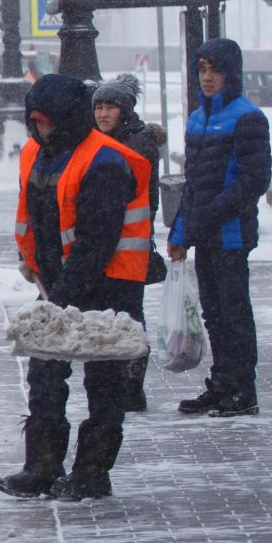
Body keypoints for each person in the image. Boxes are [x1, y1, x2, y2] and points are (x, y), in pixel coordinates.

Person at [0, 74, 153, 502]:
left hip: (108, 288)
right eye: (34, 123)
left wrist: (60, 297)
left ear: (66, 121)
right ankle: (42, 467)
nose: (39, 130)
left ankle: (91, 473)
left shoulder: (105, 161)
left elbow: (95, 244)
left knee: (104, 385)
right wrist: (36, 271)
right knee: (45, 375)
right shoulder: (36, 152)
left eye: (46, 123)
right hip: (57, 285)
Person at [169, 38, 271, 418]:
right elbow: (193, 184)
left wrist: (209, 217)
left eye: (215, 71)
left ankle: (243, 389)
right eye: (202, 70)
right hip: (203, 234)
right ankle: (222, 383)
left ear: (231, 74)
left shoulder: (248, 118)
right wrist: (180, 231)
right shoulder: (198, 118)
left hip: (230, 235)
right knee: (213, 313)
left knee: (234, 312)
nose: (208, 78)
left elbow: (254, 181)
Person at [92, 73, 168, 411]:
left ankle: (132, 387)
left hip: (130, 245)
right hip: (107, 244)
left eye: (110, 107)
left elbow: (138, 198)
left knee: (129, 315)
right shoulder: (102, 140)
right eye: (99, 107)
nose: (103, 114)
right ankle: (119, 384)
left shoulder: (137, 145)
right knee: (114, 314)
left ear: (124, 111)